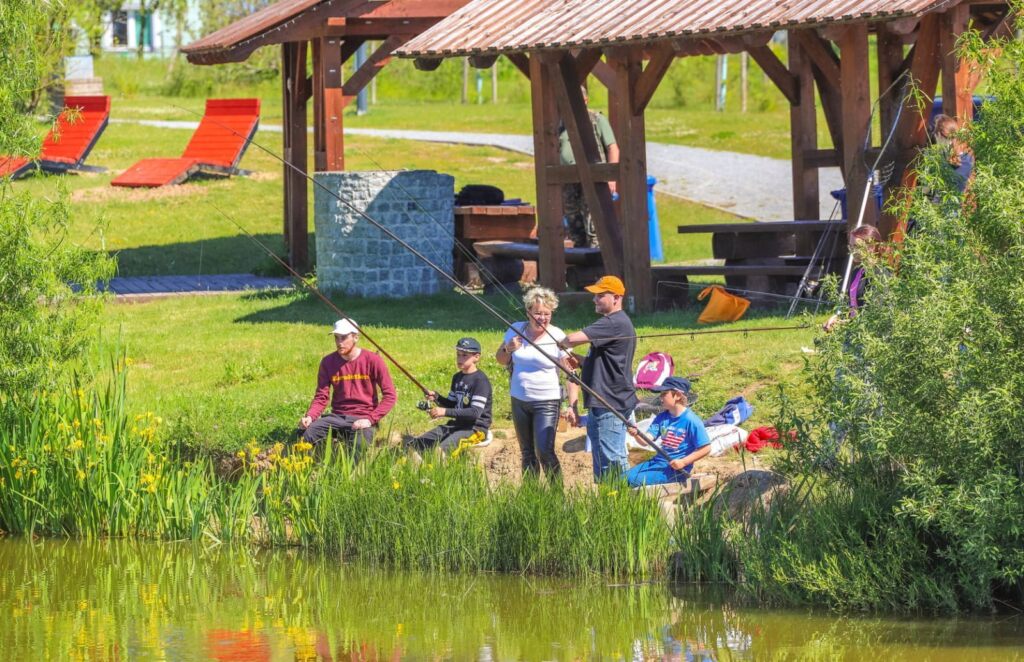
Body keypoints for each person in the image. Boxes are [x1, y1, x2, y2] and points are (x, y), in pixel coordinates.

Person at [561, 275, 638, 479]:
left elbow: (571, 339)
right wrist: (581, 361)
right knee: (604, 462)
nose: (594, 299)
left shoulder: (613, 322)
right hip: (604, 401)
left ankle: (621, 495)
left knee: (612, 460)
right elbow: (609, 361)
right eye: (595, 295)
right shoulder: (615, 323)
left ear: (616, 297)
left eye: (600, 295)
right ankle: (609, 495)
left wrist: (561, 343)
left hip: (610, 401)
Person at [496, 287, 572, 480]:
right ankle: (531, 492)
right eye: (538, 313)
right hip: (519, 400)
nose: (542, 318)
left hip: (546, 401)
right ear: (528, 311)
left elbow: (570, 371)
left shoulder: (557, 335)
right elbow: (501, 359)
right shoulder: (516, 329)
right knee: (527, 452)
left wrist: (571, 405)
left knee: (544, 451)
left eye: (547, 314)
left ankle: (557, 493)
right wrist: (508, 348)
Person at [298, 318, 397, 458]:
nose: (339, 342)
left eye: (344, 337)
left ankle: (347, 472)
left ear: (356, 337)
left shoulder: (373, 360)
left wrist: (370, 419)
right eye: (336, 338)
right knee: (305, 435)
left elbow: (390, 395)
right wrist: (310, 416)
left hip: (363, 417)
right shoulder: (327, 362)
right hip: (336, 417)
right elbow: (321, 397)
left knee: (358, 445)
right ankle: (310, 467)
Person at [408, 337, 492, 455]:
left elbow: (475, 412)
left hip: (475, 429)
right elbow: (452, 404)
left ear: (476, 357)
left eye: (464, 355)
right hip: (456, 425)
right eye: (458, 354)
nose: (460, 359)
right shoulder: (457, 378)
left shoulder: (480, 381)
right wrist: (437, 397)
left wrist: (444, 412)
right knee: (414, 445)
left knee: (440, 451)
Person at [559, 85, 619, 249]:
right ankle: (580, 262)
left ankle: (597, 262)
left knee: (594, 228)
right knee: (574, 229)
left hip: (594, 181)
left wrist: (611, 178)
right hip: (569, 183)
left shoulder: (597, 120)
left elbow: (613, 148)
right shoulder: (562, 123)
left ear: (585, 100)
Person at [624, 377, 711, 488]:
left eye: (664, 394)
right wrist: (636, 434)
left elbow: (706, 448)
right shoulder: (662, 417)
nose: (660, 398)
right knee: (621, 478)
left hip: (675, 470)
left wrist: (683, 462)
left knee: (631, 480)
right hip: (657, 462)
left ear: (678, 395)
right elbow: (646, 441)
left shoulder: (691, 420)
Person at [824, 225, 884, 332]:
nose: (852, 251)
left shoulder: (880, 274)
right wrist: (837, 318)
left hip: (871, 335)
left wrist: (843, 323)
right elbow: (852, 306)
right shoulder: (857, 271)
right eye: (851, 246)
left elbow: (875, 313)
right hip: (854, 332)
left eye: (856, 246)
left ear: (871, 246)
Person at [933, 114, 973, 193]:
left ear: (938, 135)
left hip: (937, 201)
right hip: (957, 200)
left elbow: (927, 190)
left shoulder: (937, 162)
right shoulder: (967, 159)